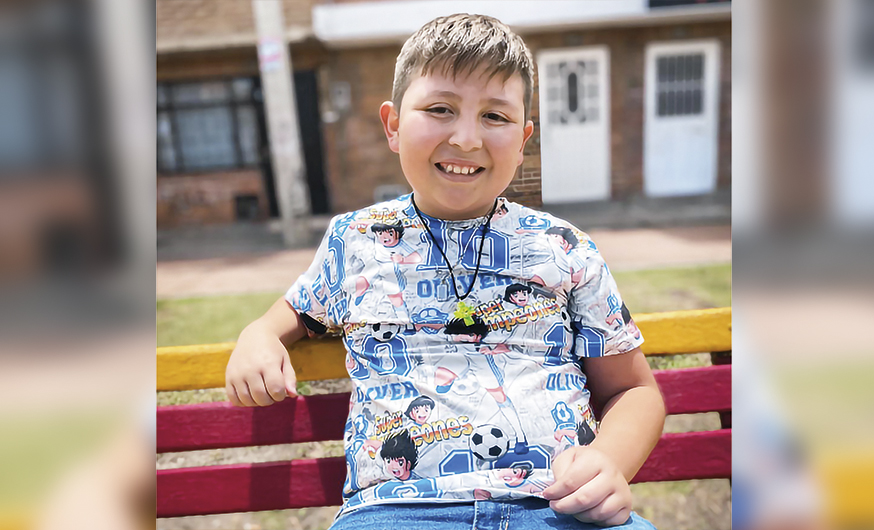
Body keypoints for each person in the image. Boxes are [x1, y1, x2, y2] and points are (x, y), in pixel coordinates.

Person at [225, 13, 664, 530]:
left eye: (495, 117)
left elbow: (633, 390)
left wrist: (608, 462)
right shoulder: (357, 239)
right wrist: (259, 334)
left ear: (523, 140)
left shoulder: (564, 247)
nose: (466, 138)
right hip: (397, 510)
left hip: (556, 505)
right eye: (440, 109)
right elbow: (295, 312)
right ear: (392, 125)